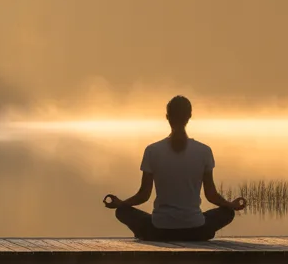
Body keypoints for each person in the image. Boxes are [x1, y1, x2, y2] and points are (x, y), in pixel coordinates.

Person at [103, 95, 246, 241]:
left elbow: (143, 195)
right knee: (227, 213)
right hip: (196, 230)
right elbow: (211, 195)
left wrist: (121, 204)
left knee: (122, 212)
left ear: (167, 117)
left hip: (158, 231)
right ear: (189, 117)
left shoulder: (152, 150)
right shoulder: (204, 151)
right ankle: (201, 233)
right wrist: (230, 205)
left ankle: (144, 234)